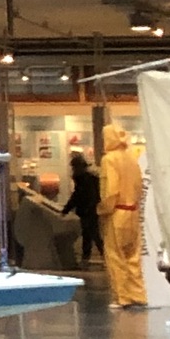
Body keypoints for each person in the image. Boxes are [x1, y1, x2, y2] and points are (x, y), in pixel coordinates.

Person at [100, 129, 149, 310]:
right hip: (133, 212)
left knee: (116, 256)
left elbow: (111, 190)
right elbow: (139, 186)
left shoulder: (109, 159)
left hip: (117, 213)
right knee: (133, 256)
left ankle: (122, 297)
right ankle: (138, 294)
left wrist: (103, 209)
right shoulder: (131, 158)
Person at [68, 148, 103, 268]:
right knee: (91, 235)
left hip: (87, 211)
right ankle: (91, 258)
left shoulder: (83, 179)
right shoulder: (90, 178)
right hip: (92, 210)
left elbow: (77, 195)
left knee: (91, 235)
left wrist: (67, 209)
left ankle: (89, 258)